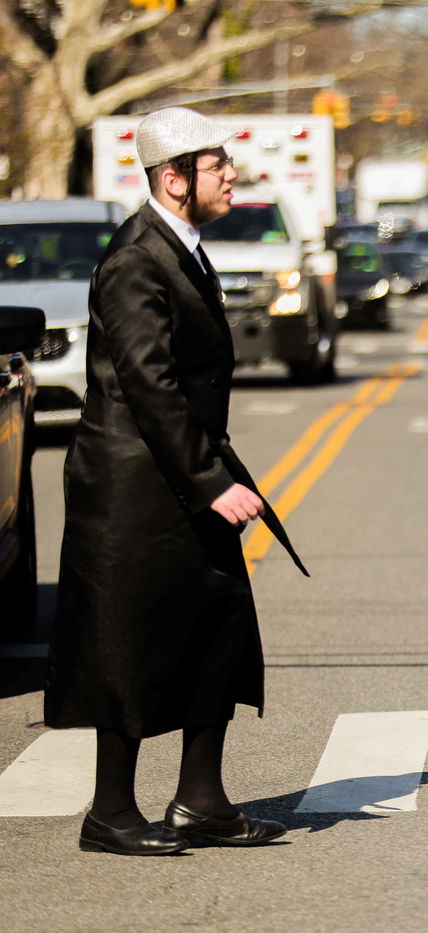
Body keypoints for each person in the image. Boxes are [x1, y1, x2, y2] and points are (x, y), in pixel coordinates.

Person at [44, 107, 308, 855]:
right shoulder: (136, 259)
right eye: (217, 165)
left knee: (214, 623)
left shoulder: (181, 248)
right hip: (133, 485)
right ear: (174, 178)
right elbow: (148, 382)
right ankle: (111, 812)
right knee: (125, 639)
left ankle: (203, 800)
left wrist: (207, 470)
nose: (232, 175)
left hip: (182, 472)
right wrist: (208, 478)